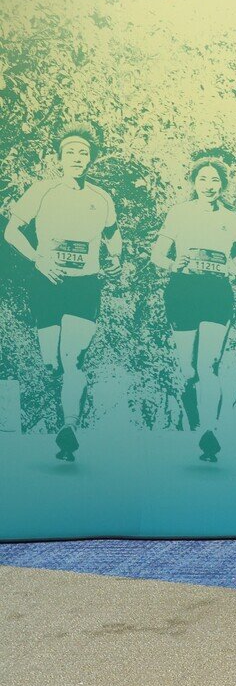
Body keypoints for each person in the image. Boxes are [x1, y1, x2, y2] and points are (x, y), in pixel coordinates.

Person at [5, 124, 121, 462]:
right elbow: (12, 232)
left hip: (84, 284)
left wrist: (115, 257)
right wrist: (38, 259)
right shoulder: (42, 191)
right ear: (59, 158)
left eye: (83, 152)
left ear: (91, 160)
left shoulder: (101, 197)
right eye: (70, 151)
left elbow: (114, 235)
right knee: (51, 361)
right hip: (48, 282)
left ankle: (69, 428)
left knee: (73, 358)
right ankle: (63, 405)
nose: (77, 157)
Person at [150, 155, 236, 462]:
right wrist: (170, 264)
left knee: (210, 365)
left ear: (223, 185)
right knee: (188, 369)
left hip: (217, 292)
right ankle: (194, 413)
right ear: (194, 183)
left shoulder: (232, 218)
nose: (209, 186)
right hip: (182, 291)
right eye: (203, 179)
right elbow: (157, 253)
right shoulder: (180, 213)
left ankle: (209, 431)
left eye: (215, 180)